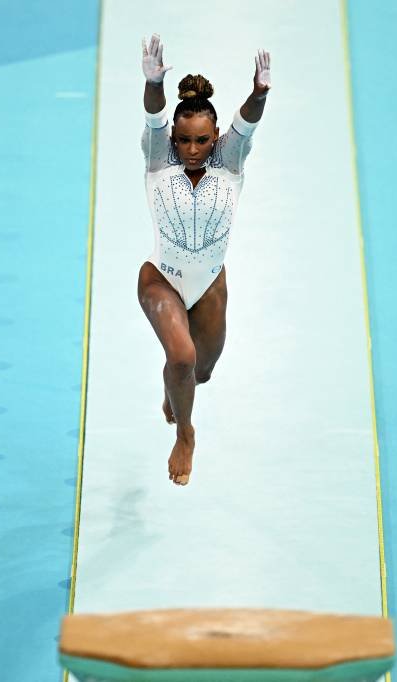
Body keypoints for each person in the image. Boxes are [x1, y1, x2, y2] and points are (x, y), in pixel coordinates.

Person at [137, 33, 271, 486]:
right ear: (173, 139)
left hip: (210, 284)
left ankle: (174, 395)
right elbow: (153, 115)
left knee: (202, 372)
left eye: (202, 141)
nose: (192, 150)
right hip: (162, 280)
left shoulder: (228, 164)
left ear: (215, 139)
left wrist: (258, 94)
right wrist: (153, 83)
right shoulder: (160, 159)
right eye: (184, 141)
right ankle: (186, 436)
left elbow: (246, 124)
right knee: (181, 358)